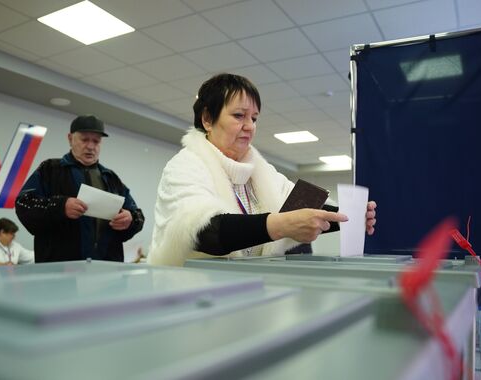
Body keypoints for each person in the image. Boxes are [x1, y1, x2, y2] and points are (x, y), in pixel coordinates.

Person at [148, 73, 376, 266]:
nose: (250, 126)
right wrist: (281, 225)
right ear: (208, 119)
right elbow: (203, 232)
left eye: (254, 118)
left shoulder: (261, 170)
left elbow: (300, 207)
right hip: (190, 297)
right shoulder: (185, 165)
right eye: (239, 116)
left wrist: (348, 215)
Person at [15, 115, 144, 263]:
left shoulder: (111, 178)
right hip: (61, 272)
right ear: (70, 139)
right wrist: (60, 206)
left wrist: (130, 220)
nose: (90, 146)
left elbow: (138, 215)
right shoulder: (49, 170)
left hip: (106, 273)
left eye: (96, 141)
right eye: (84, 139)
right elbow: (24, 204)